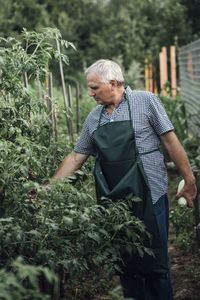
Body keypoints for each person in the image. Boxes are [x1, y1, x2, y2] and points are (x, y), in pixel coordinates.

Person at [45, 59, 197, 300]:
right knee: (126, 265)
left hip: (151, 195)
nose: (90, 93)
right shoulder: (94, 118)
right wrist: (47, 189)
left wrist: (189, 180)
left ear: (113, 83)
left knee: (155, 261)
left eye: (94, 87)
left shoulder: (145, 101)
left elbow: (170, 141)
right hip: (114, 202)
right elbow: (76, 157)